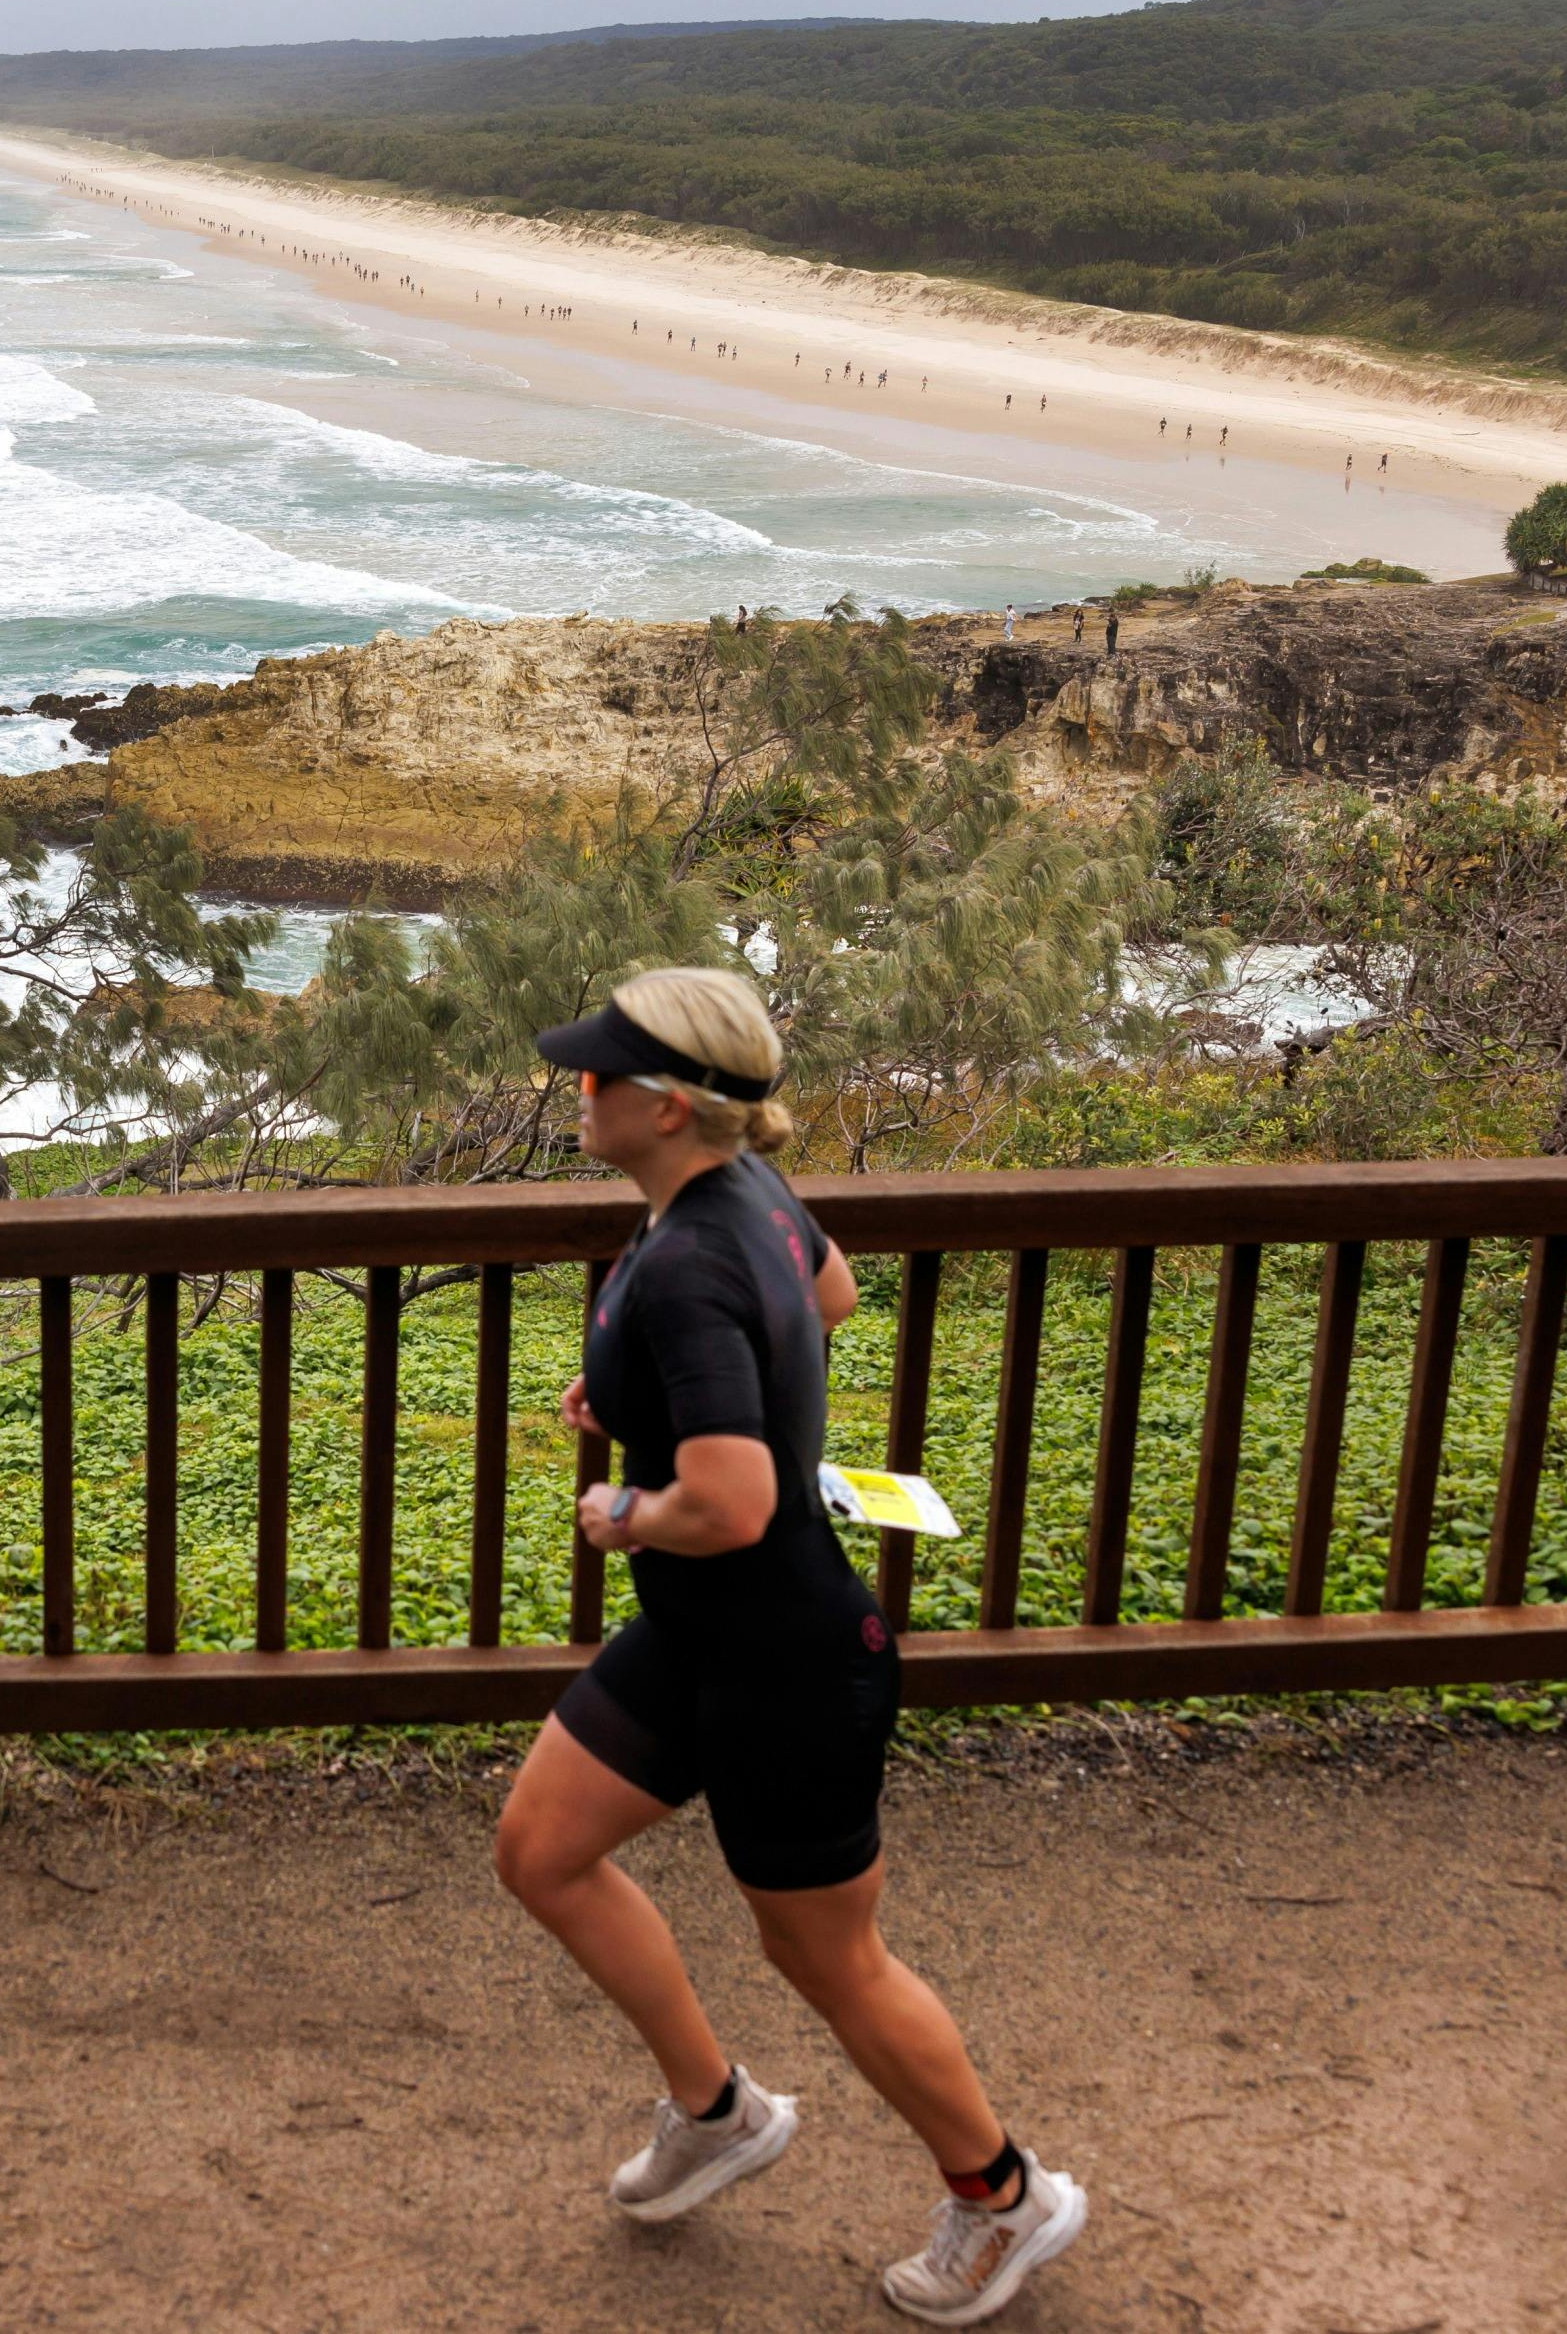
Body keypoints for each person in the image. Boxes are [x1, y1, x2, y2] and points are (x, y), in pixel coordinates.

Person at [497, 970, 1087, 2326]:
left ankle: (1004, 2198)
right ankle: (717, 2111)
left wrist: (623, 1511)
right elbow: (832, 1297)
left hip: (790, 1666)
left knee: (831, 1961)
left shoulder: (694, 1256)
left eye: (596, 1073)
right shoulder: (740, 1199)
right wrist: (644, 1390)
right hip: (702, 1641)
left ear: (662, 1104)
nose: (575, 1088)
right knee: (542, 1848)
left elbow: (734, 1504)